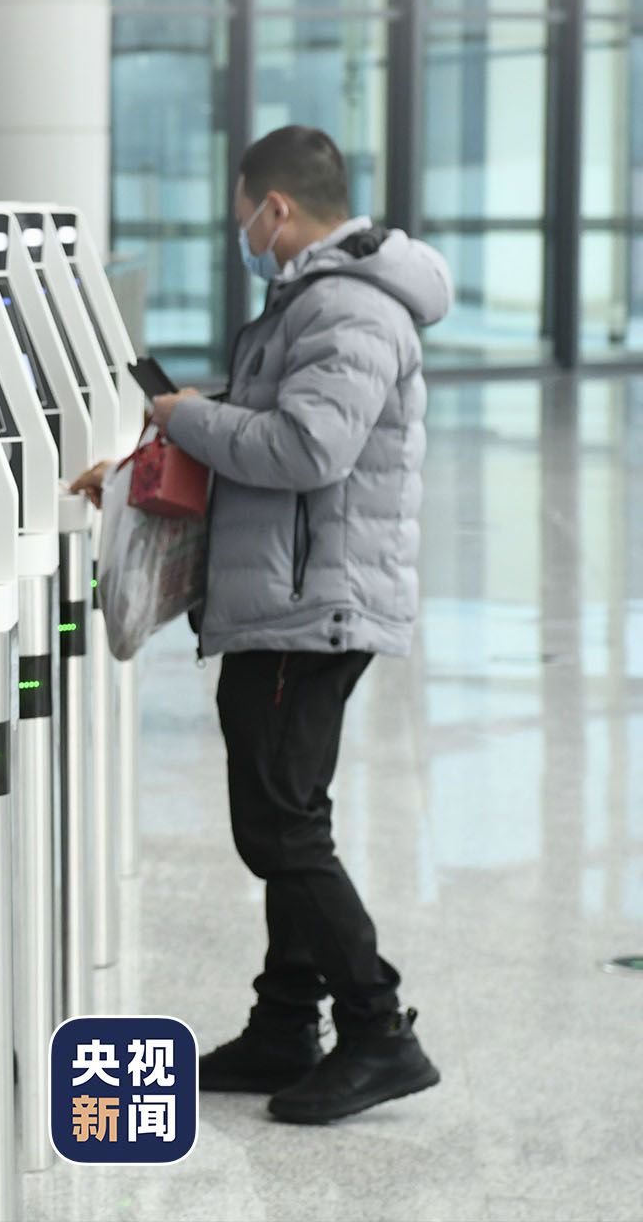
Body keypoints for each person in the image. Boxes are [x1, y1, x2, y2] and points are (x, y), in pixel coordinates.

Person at [73, 124, 452, 1125]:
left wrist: (181, 413)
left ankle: (379, 1030)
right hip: (293, 597)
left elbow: (306, 447)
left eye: (245, 214)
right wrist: (143, 471)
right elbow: (271, 422)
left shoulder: (348, 306)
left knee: (280, 827)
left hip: (308, 606)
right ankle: (286, 1024)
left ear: (276, 209)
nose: (243, 233)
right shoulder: (317, 301)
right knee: (294, 816)